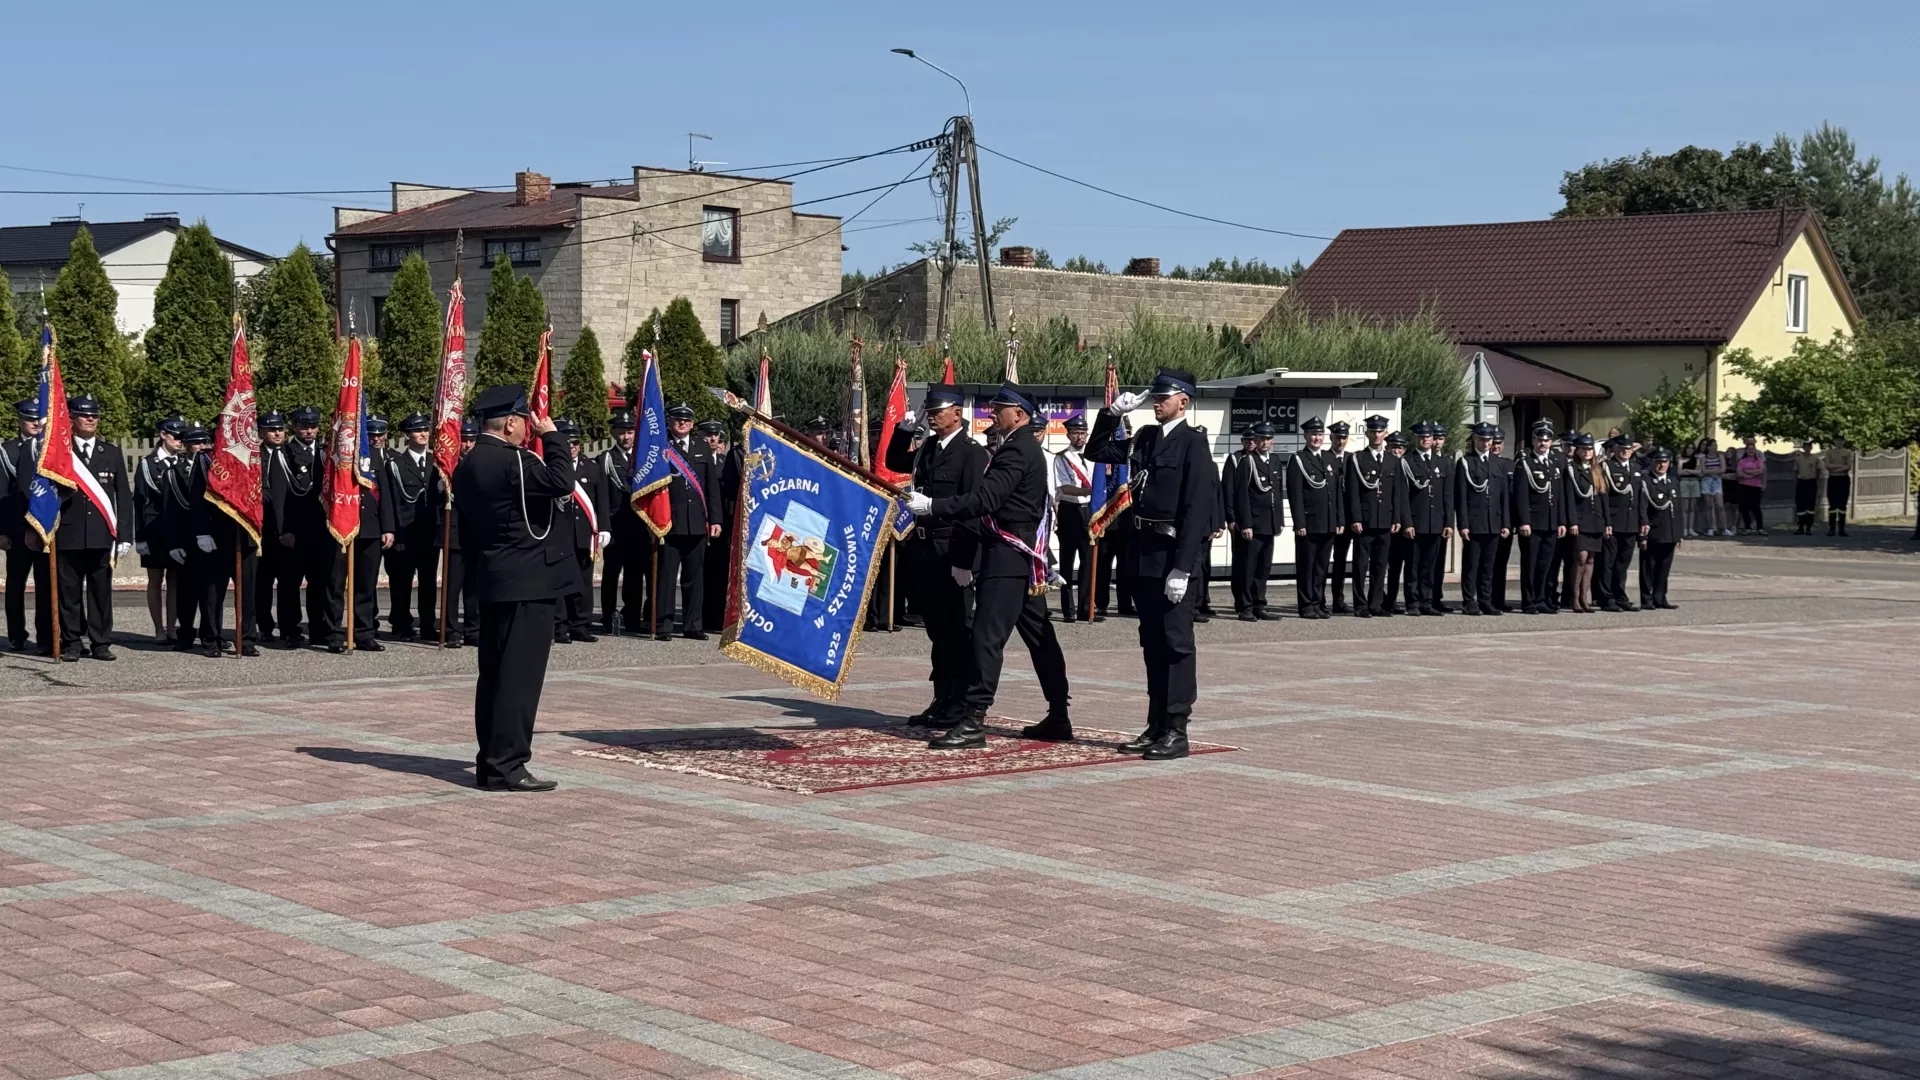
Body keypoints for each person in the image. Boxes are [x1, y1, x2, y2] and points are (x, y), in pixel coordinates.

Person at [906, 383, 1073, 747]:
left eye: (999, 409)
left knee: (985, 637)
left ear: (1021, 415)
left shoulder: (1015, 450)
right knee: (1039, 636)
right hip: (1022, 554)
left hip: (1007, 554)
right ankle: (1059, 713)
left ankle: (974, 718)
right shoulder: (1021, 446)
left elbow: (986, 499)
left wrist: (933, 507)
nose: (991, 414)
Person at [1085, 368, 1217, 760]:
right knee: (1152, 643)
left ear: (1184, 402)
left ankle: (1177, 728)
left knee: (1176, 644)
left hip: (1172, 553)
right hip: (1142, 550)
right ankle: (1156, 722)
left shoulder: (1193, 444)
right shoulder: (1144, 437)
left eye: (1165, 397)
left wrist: (1183, 567)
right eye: (1155, 397)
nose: (1157, 402)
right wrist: (1110, 415)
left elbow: (1196, 510)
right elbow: (1097, 452)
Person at [455, 386, 573, 792]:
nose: (528, 428)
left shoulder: (467, 465)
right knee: (519, 681)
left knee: (494, 677)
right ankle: (509, 764)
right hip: (528, 581)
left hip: (493, 580)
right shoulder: (515, 462)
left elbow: (468, 533)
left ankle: (490, 761)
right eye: (524, 421)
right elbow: (562, 482)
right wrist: (554, 437)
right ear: (509, 423)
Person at [886, 385, 986, 727]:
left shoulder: (971, 453)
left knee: (958, 629)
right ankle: (942, 698)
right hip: (924, 546)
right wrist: (903, 431)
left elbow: (973, 508)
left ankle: (960, 701)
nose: (931, 415)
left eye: (937, 410)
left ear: (956, 413)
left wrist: (965, 560)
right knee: (936, 630)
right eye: (929, 411)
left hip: (952, 548)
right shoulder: (929, 446)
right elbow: (894, 461)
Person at [32, 395, 132, 660]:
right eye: (85, 415)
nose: (91, 419)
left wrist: (125, 535)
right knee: (69, 593)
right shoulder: (61, 454)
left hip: (101, 533)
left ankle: (101, 642)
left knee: (101, 593)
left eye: (95, 415)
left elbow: (123, 495)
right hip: (69, 532)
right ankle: (72, 642)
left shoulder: (110, 452)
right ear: (72, 419)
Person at [654, 404, 724, 640]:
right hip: (669, 523)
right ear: (670, 422)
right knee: (666, 577)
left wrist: (715, 519)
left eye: (686, 420)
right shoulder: (661, 447)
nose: (682, 423)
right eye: (677, 420)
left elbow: (711, 486)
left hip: (696, 523)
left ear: (693, 424)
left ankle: (693, 625)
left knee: (694, 578)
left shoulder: (702, 448)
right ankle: (663, 625)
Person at [325, 423, 396, 653]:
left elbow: (383, 492)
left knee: (366, 584)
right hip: (341, 525)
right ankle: (335, 633)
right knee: (335, 584)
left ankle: (363, 632)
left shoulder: (373, 454)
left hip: (370, 528)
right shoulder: (336, 453)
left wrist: (388, 528)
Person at [274, 405, 331, 648]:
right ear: (295, 427)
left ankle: (318, 628)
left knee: (319, 582)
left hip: (321, 529)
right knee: (290, 583)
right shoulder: (284, 454)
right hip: (294, 529)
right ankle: (290, 629)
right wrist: (282, 529)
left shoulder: (325, 453)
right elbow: (279, 496)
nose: (309, 430)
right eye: (304, 426)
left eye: (313, 426)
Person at [384, 413, 443, 641]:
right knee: (402, 582)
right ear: (408, 435)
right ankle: (401, 624)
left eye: (426, 430)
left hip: (429, 533)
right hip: (405, 533)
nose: (423, 434)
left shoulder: (435, 463)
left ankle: (427, 624)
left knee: (428, 583)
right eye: (418, 431)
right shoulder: (396, 464)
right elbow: (392, 501)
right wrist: (395, 532)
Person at [1343, 414, 1405, 618]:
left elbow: (1397, 493)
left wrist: (1396, 518)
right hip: (1365, 521)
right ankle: (1360, 605)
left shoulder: (1392, 461)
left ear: (1385, 434)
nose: (1376, 435)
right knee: (1361, 565)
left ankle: (1376, 603)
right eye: (1373, 431)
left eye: (1380, 431)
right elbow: (1352, 492)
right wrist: (1355, 518)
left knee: (1380, 565)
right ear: (1367, 433)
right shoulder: (1357, 459)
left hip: (1385, 521)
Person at [549, 419, 605, 644]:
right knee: (561, 580)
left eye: (575, 442)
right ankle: (559, 627)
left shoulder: (591, 467)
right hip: (559, 532)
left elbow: (602, 501)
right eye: (567, 441)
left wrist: (604, 529)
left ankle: (581, 625)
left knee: (583, 581)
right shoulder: (551, 465)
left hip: (584, 532)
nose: (572, 446)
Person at [1, 400, 50, 651]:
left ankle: (45, 638)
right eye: (29, 419)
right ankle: (17, 634)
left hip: (43, 529)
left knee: (45, 584)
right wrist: (1, 531)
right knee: (16, 585)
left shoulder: (48, 449)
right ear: (19, 420)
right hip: (17, 529)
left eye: (37, 418)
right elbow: (2, 493)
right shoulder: (8, 450)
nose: (34, 423)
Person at [134, 416, 186, 641]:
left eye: (182, 437)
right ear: (163, 435)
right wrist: (140, 537)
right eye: (175, 436)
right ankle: (158, 629)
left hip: (176, 530)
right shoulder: (148, 464)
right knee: (155, 580)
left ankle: (172, 628)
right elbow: (139, 500)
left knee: (175, 580)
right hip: (154, 528)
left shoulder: (183, 462)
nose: (179, 441)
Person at [595, 411, 648, 636]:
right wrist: (604, 526)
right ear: (614, 434)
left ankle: (632, 617)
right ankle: (608, 617)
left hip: (638, 526)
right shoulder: (605, 460)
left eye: (629, 432)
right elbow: (603, 497)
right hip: (615, 526)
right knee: (611, 574)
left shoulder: (644, 458)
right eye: (621, 432)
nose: (626, 437)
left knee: (635, 575)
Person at [1285, 416, 1341, 619]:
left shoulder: (1329, 458)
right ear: (1305, 436)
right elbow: (1295, 494)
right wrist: (1299, 522)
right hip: (1309, 523)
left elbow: (1336, 494)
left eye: (1319, 434)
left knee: (1321, 566)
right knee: (1307, 566)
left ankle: (1318, 602)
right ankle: (1306, 604)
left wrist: (1339, 520)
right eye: (1313, 434)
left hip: (1327, 522)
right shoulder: (1299, 459)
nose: (1317, 438)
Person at [1451, 422, 1508, 616]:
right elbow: (1461, 496)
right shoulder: (1466, 463)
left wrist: (1505, 523)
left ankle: (1486, 600)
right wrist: (1463, 524)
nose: (1486, 443)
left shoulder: (1498, 463)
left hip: (1494, 522)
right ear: (1475, 439)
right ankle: (1469, 601)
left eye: (1489, 439)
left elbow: (1503, 497)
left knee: (1488, 566)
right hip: (1475, 523)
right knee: (1471, 565)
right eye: (1482, 439)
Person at [1510, 420, 1566, 615]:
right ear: (1533, 440)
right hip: (1533, 523)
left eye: (1547, 440)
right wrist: (1524, 520)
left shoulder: (1555, 463)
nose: (1543, 443)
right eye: (1539, 440)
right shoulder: (1525, 463)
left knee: (1546, 565)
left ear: (1551, 442)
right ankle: (1529, 601)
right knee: (1531, 564)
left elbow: (1560, 496)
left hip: (1551, 522)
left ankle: (1542, 599)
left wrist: (1561, 521)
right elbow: (1521, 495)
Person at [253, 411, 298, 643]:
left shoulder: (291, 454)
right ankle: (264, 626)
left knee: (288, 583)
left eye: (280, 429)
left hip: (287, 529)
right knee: (262, 583)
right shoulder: (253, 457)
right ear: (262, 432)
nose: (278, 433)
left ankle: (289, 627)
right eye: (272, 430)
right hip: (262, 529)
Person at [1399, 422, 1451, 617]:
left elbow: (1447, 495)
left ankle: (1427, 601)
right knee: (1413, 564)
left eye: (1428, 437)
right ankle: (1412, 602)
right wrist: (1407, 522)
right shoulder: (1408, 462)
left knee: (1430, 565)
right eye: (1422, 437)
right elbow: (1403, 496)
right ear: (1416, 439)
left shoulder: (1442, 463)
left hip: (1435, 522)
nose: (1426, 440)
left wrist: (1448, 523)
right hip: (1416, 522)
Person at [1230, 421, 1280, 620]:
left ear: (1272, 440)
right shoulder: (1247, 461)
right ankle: (1246, 606)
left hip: (1269, 523)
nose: (1264, 442)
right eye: (1261, 439)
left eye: (1268, 439)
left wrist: (1279, 522)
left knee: (1263, 567)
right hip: (1254, 523)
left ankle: (1260, 603)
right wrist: (1246, 524)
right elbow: (1241, 495)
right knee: (1248, 567)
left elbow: (1276, 492)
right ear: (1255, 440)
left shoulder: (1274, 461)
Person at [442, 418, 482, 648]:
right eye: (463, 441)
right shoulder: (449, 466)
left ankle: (473, 629)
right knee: (452, 586)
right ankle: (451, 630)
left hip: (477, 532)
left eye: (471, 440)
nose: (467, 445)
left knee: (474, 585)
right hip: (455, 533)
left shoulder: (482, 464)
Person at [1597, 435, 1647, 611]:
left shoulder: (1635, 468)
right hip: (1613, 522)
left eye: (1628, 449)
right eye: (1622, 449)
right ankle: (1606, 598)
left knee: (1623, 564)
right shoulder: (1607, 468)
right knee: (1607, 563)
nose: (1625, 452)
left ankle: (1620, 595)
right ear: (1615, 449)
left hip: (1631, 523)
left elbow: (1640, 498)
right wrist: (1606, 522)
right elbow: (1603, 498)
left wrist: (1643, 521)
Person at [1053, 413, 1094, 622]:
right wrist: (1090, 491)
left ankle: (1086, 608)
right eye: (1076, 433)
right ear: (1069, 435)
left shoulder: (1094, 457)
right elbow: (1064, 487)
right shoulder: (1062, 458)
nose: (1080, 437)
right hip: (1070, 510)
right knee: (1067, 563)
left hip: (1090, 512)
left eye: (1083, 433)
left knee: (1088, 562)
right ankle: (1068, 609)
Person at [706, 420, 744, 629]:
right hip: (718, 523)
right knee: (713, 572)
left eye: (716, 435)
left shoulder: (723, 460)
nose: (713, 438)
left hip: (732, 523)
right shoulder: (731, 458)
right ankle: (710, 616)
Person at [1562, 435, 1604, 613]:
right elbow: (1569, 498)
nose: (1587, 452)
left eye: (1589, 449)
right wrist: (1572, 521)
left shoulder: (1596, 469)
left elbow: (1602, 498)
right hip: (1580, 520)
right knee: (1580, 558)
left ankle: (1584, 597)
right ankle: (1574, 598)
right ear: (1577, 451)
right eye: (1583, 449)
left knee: (1591, 560)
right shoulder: (1572, 469)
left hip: (1595, 520)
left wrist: (1606, 522)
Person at [1639, 448, 1681, 609]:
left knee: (1664, 566)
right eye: (1658, 462)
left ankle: (1660, 596)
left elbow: (1677, 510)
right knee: (1648, 566)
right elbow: (1642, 508)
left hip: (1669, 531)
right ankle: (1647, 598)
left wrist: (1678, 533)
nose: (1661, 465)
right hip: (1653, 531)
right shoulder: (1646, 481)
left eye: (1664, 462)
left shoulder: (1672, 482)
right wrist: (1642, 533)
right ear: (1652, 463)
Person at [1325, 420, 1353, 613]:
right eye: (1337, 437)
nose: (1340, 441)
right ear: (1331, 438)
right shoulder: (1324, 457)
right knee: (1323, 561)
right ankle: (1318, 599)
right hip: (1329, 517)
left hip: (1348, 519)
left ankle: (1339, 599)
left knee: (1341, 562)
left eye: (1343, 438)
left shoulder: (1352, 459)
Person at [1488, 431, 1517, 613]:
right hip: (1488, 520)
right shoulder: (1482, 463)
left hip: (1506, 520)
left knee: (1501, 563)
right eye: (1494, 443)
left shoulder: (1509, 464)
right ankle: (1484, 598)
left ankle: (1499, 599)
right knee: (1486, 563)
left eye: (1499, 443)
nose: (1496, 446)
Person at [1694, 438, 1729, 537]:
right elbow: (1704, 471)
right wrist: (1715, 470)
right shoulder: (1703, 458)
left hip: (1717, 482)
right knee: (1709, 506)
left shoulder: (1720, 456)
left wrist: (1711, 471)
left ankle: (1724, 528)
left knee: (1720, 506)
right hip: (1706, 482)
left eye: (1716, 445)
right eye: (1713, 445)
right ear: (1709, 447)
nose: (1715, 447)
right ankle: (1710, 528)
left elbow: (1723, 469)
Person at [1733, 436, 1767, 534]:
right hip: (1743, 486)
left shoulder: (1759, 461)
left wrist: (1747, 472)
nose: (1751, 451)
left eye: (1753, 449)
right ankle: (1747, 527)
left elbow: (1761, 471)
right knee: (1744, 508)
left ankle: (1760, 528)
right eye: (1749, 449)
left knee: (1756, 507)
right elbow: (1739, 473)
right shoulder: (1742, 461)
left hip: (1755, 486)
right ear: (1746, 450)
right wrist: (1752, 474)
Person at [1821, 437, 1853, 536]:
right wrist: (1840, 467)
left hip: (1843, 479)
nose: (1839, 442)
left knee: (1842, 505)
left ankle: (1842, 529)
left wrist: (1834, 468)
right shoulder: (1829, 452)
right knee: (1833, 504)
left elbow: (1848, 467)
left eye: (1841, 440)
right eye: (1837, 440)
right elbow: (1827, 465)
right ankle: (1831, 529)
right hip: (1833, 479)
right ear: (1834, 441)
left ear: (1844, 441)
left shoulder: (1848, 452)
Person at [1791, 441, 1822, 535]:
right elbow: (1795, 470)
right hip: (1801, 481)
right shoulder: (1799, 458)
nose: (1807, 448)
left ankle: (1808, 527)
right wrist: (1797, 479)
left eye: (1809, 447)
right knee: (1800, 504)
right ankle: (1800, 527)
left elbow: (1819, 469)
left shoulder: (1815, 458)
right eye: (1805, 447)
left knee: (1810, 505)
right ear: (1803, 448)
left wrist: (1816, 478)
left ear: (1811, 448)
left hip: (1811, 481)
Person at [1676, 437, 1703, 538]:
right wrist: (1691, 471)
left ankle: (1691, 528)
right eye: (1688, 448)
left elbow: (1699, 471)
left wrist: (1688, 470)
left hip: (1694, 482)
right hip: (1684, 482)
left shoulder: (1697, 459)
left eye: (1692, 448)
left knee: (1692, 507)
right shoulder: (1681, 459)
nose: (1690, 450)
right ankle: (1684, 528)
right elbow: (1679, 472)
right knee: (1685, 508)